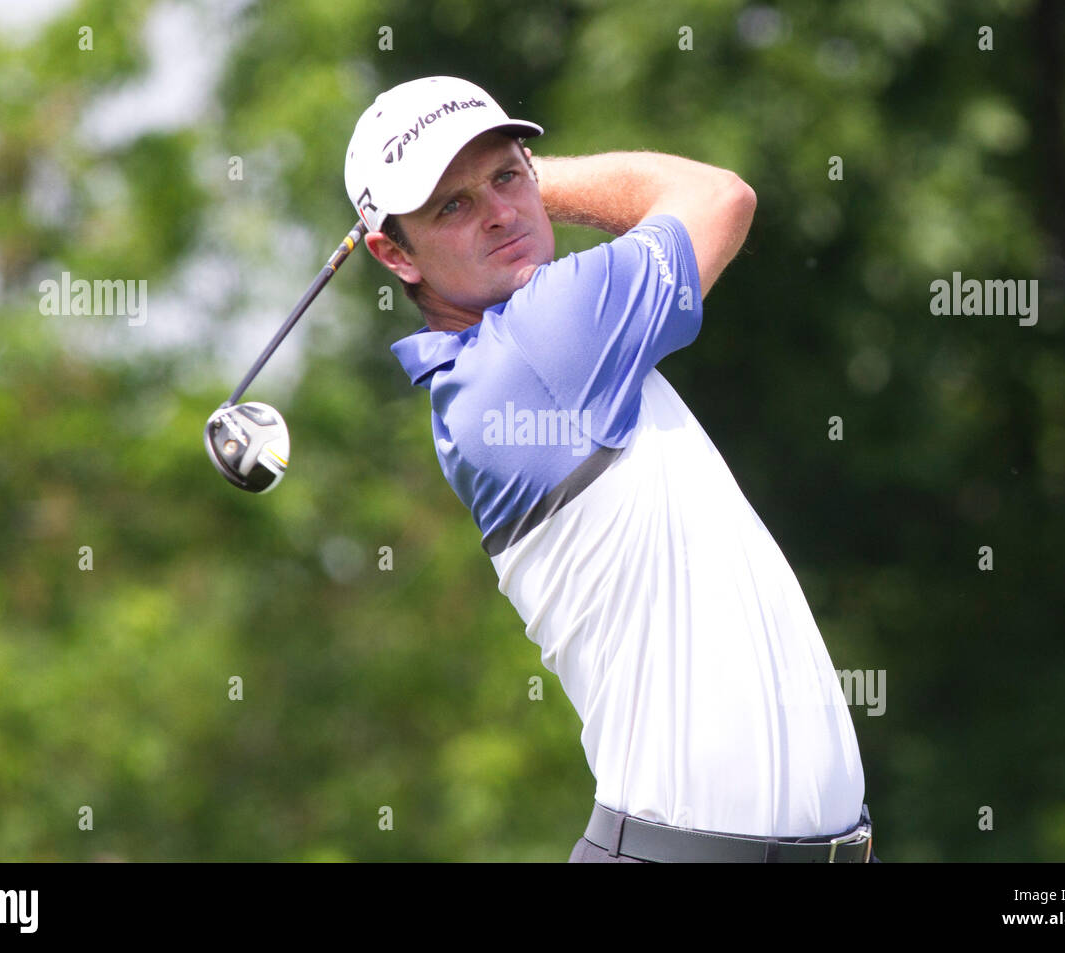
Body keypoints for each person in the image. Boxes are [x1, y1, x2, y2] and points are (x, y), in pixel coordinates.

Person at [344, 75, 878, 862]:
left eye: (505, 175)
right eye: (451, 206)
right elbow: (717, 195)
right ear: (393, 253)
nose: (498, 211)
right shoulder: (540, 345)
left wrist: (490, 186)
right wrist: (536, 182)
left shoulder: (530, 354)